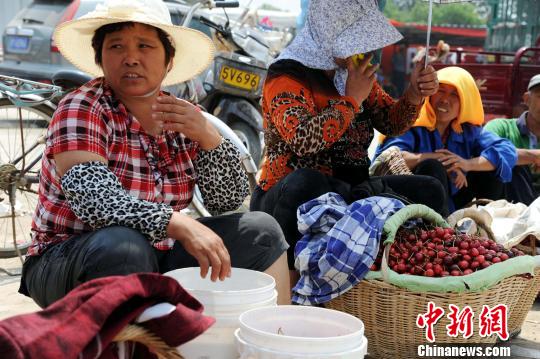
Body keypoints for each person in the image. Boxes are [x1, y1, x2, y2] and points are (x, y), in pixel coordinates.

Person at [19, 0, 290, 308]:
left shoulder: (183, 116)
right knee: (124, 247)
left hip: (154, 254)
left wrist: (209, 139)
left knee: (262, 231)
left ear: (168, 59)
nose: (131, 58)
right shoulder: (82, 107)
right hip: (67, 258)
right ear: (101, 57)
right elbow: (96, 201)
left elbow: (226, 203)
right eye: (116, 46)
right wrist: (179, 223)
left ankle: (273, 334)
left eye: (145, 46)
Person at [250, 0, 444, 280]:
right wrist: (351, 100)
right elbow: (303, 140)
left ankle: (420, 273)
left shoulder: (353, 72)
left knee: (430, 189)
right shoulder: (286, 76)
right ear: (329, 33)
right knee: (308, 181)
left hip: (352, 191)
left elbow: (391, 122)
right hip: (288, 197)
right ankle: (289, 280)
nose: (362, 49)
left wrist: (414, 95)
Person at [375, 66, 518, 213]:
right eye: (440, 91)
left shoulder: (467, 130)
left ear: (465, 103)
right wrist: (439, 158)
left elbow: (506, 150)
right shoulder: (411, 122)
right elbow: (389, 157)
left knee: (492, 171)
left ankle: (486, 223)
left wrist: (466, 164)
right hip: (410, 201)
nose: (444, 100)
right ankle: (436, 229)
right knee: (432, 166)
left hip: (453, 200)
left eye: (455, 95)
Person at [484, 74, 540, 205]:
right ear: (527, 99)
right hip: (508, 205)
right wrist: (534, 156)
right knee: (511, 162)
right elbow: (483, 150)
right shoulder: (500, 127)